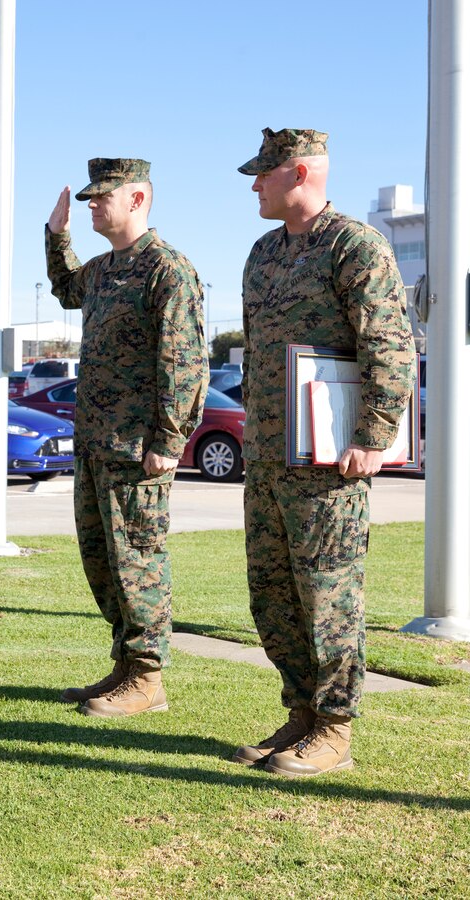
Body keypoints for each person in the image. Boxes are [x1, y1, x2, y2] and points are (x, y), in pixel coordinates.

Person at [232, 128, 416, 776]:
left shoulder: (355, 246)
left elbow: (390, 345)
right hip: (269, 460)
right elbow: (255, 353)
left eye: (264, 173)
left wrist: (373, 434)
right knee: (273, 595)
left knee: (329, 598)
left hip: (329, 465)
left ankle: (335, 729)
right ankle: (301, 714)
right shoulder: (262, 254)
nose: (254, 184)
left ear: (300, 173)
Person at [45, 158, 208, 717]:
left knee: (138, 558)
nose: (93, 206)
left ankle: (147, 678)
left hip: (137, 449)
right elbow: (67, 289)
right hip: (95, 443)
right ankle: (124, 664)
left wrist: (169, 438)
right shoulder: (103, 269)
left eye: (102, 198)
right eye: (88, 199)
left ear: (137, 199)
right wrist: (56, 235)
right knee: (102, 560)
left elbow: (184, 362)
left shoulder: (167, 270)